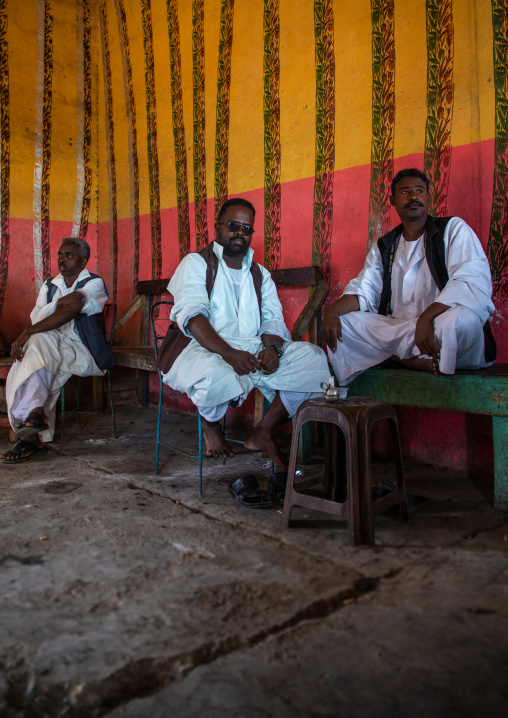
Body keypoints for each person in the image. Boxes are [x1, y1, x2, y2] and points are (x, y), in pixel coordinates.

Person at [161, 198, 329, 500]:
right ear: (218, 226)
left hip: (251, 349)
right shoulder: (196, 263)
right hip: (202, 347)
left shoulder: (259, 274)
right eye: (233, 225)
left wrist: (273, 350)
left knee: (314, 361)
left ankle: (262, 431)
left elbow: (273, 319)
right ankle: (210, 425)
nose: (240, 232)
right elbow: (193, 316)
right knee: (215, 376)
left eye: (246, 228)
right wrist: (228, 354)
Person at [322, 168, 496, 384]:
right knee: (345, 323)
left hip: (439, 327)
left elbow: (469, 282)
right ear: (392, 200)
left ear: (428, 197)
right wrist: (332, 312)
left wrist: (427, 318)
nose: (413, 196)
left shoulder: (453, 229)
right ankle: (408, 358)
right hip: (403, 330)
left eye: (419, 191)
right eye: (405, 192)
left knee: (460, 321)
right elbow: (364, 291)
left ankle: (405, 356)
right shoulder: (384, 247)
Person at [1, 238, 113, 463]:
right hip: (52, 346)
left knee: (36, 351)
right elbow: (39, 318)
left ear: (83, 261)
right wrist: (62, 304)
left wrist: (27, 331)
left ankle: (30, 427)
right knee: (41, 345)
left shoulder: (94, 282)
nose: (61, 260)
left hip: (83, 350)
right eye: (60, 255)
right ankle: (33, 415)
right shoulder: (49, 285)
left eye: (69, 256)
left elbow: (71, 310)